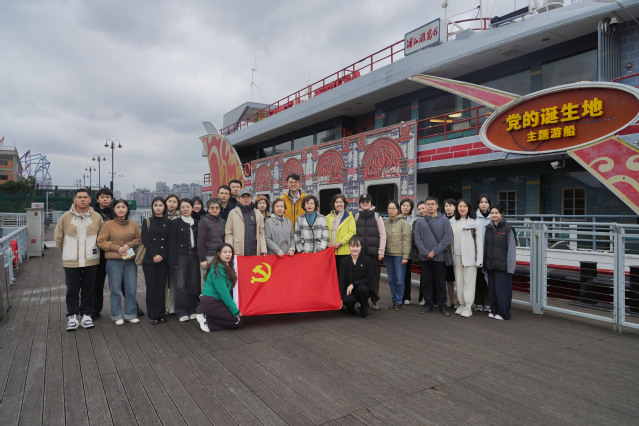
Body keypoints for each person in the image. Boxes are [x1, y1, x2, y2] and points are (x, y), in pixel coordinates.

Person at [55, 188, 103, 331]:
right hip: (71, 260)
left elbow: (101, 237)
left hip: (91, 259)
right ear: (74, 200)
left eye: (85, 197)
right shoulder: (65, 217)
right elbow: (58, 238)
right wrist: (67, 251)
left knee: (89, 288)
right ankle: (73, 315)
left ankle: (86, 314)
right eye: (80, 197)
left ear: (90, 200)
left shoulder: (97, 217)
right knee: (72, 288)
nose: (82, 199)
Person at [97, 199, 142, 325]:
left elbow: (138, 239)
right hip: (113, 261)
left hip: (130, 260)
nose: (121, 209)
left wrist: (129, 245)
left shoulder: (133, 224)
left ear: (127, 209)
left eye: (123, 207)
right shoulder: (108, 225)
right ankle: (116, 315)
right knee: (115, 289)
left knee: (131, 288)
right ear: (114, 209)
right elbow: (101, 241)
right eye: (118, 207)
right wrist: (117, 248)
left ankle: (130, 314)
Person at [415, 196, 453, 316]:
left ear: (437, 206)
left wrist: (434, 251)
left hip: (439, 258)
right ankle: (428, 304)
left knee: (441, 283)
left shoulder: (444, 220)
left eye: (432, 204)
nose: (430, 206)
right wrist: (426, 252)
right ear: (425, 206)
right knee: (426, 282)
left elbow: (447, 239)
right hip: (425, 258)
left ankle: (442, 305)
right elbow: (417, 239)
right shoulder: (420, 221)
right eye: (428, 204)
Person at [196, 244, 243, 332]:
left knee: (238, 319)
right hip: (210, 302)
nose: (228, 254)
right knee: (237, 322)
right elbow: (223, 292)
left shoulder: (226, 267)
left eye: (230, 252)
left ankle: (207, 316)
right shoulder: (217, 268)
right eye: (225, 252)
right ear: (218, 254)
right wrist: (235, 310)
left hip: (215, 302)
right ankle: (208, 323)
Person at [450, 199, 483, 318]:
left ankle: (468, 306)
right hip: (456, 256)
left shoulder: (475, 222)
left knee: (469, 282)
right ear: (457, 208)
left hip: (470, 257)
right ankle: (462, 303)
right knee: (459, 281)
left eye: (465, 206)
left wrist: (479, 260)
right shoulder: (452, 221)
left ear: (469, 208)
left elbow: (479, 242)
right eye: (460, 206)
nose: (462, 208)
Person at [169, 198, 201, 322]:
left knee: (193, 284)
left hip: (194, 255)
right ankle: (181, 311)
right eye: (183, 207)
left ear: (192, 208)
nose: (185, 209)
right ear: (180, 209)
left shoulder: (197, 222)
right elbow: (172, 243)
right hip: (180, 256)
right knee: (180, 284)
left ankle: (192, 309)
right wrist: (173, 260)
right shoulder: (175, 223)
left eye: (188, 207)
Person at [483, 203, 516, 320]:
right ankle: (494, 310)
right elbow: (485, 247)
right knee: (492, 290)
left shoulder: (508, 229)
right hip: (491, 265)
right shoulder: (488, 228)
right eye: (492, 213)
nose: (494, 215)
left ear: (502, 214)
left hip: (503, 266)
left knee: (502, 291)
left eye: (496, 213)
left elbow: (511, 249)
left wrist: (511, 267)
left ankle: (504, 313)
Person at [141, 196, 170, 325]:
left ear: (164, 207)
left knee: (161, 287)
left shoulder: (169, 222)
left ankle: (161, 313)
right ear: (152, 207)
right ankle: (153, 314)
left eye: (160, 205)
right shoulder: (147, 221)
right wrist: (155, 254)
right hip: (150, 259)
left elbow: (170, 241)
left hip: (163, 260)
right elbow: (145, 240)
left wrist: (162, 255)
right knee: (151, 287)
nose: (158, 208)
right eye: (155, 205)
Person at [354, 194, 386, 311]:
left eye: (367, 201)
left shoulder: (377, 216)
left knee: (374, 278)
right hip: (360, 254)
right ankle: (363, 301)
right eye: (362, 202)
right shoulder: (356, 216)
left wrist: (381, 251)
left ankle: (374, 300)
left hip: (374, 254)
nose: (365, 203)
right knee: (360, 277)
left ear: (371, 203)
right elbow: (354, 234)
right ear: (360, 204)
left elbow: (383, 235)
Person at [384, 201, 411, 310]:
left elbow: (407, 241)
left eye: (393, 208)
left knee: (400, 280)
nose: (391, 210)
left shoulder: (404, 223)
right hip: (388, 255)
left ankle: (399, 300)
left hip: (399, 255)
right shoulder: (385, 223)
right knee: (391, 280)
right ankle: (394, 299)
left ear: (398, 210)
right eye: (389, 208)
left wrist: (405, 256)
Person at [92, 187, 114, 319]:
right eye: (102, 197)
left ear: (111, 199)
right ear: (97, 199)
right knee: (97, 282)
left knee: (123, 280)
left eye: (107, 197)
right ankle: (95, 310)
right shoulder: (92, 214)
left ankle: (133, 306)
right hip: (98, 252)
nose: (105, 199)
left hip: (116, 251)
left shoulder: (117, 211)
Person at [225, 188, 267, 256]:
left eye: (248, 197)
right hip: (238, 251)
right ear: (238, 198)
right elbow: (229, 233)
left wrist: (263, 250)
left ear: (251, 198)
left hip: (255, 251)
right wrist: (229, 249)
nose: (246, 199)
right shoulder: (233, 213)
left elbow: (261, 233)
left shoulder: (258, 213)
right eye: (243, 197)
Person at [339, 237, 373, 319]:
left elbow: (369, 278)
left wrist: (354, 284)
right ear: (349, 247)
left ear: (361, 247)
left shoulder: (367, 260)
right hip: (348, 291)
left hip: (361, 288)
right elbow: (342, 280)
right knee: (347, 300)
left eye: (357, 246)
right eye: (352, 246)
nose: (355, 249)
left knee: (363, 290)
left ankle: (364, 309)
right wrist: (341, 298)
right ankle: (351, 309)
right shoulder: (344, 261)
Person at [326, 194, 356, 275]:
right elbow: (325, 231)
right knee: (333, 275)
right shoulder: (328, 217)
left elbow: (352, 232)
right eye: (337, 202)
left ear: (344, 204)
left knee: (344, 276)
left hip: (345, 252)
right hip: (331, 252)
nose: (339, 204)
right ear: (333, 204)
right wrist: (327, 242)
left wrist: (341, 243)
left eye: (341, 202)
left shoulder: (349, 216)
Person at [197, 198, 226, 280]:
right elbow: (200, 241)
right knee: (207, 279)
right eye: (212, 208)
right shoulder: (204, 221)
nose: (214, 210)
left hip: (220, 255)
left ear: (220, 209)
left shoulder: (223, 221)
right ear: (208, 209)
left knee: (219, 279)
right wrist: (203, 259)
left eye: (217, 208)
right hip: (208, 256)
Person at [474, 194, 492, 312]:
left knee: (488, 279)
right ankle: (478, 303)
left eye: (486, 202)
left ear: (489, 204)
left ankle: (487, 302)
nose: (483, 204)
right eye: (481, 202)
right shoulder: (474, 217)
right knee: (478, 279)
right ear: (478, 204)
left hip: (489, 253)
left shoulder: (493, 217)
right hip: (477, 253)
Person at [165, 193, 180, 315]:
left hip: (177, 253)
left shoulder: (181, 217)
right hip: (163, 253)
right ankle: (164, 306)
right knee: (163, 281)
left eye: (174, 202)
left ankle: (172, 306)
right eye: (169, 201)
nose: (172, 203)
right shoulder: (161, 215)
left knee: (174, 281)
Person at [399, 198, 416, 305]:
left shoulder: (414, 220)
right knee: (398, 275)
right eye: (403, 205)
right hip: (396, 251)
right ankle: (398, 296)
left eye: (407, 206)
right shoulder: (396, 218)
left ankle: (407, 296)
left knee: (407, 275)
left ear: (411, 208)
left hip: (408, 252)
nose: (405, 207)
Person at [443, 198, 458, 309]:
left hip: (457, 252)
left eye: (450, 206)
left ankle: (459, 301)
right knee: (449, 279)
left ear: (455, 207)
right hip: (446, 254)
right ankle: (450, 301)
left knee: (459, 279)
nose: (448, 208)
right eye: (446, 206)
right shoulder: (442, 219)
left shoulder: (458, 220)